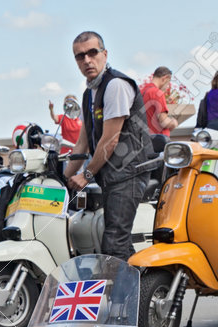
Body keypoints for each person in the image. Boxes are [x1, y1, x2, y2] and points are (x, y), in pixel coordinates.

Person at [65, 31, 153, 262]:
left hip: (129, 172)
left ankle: (121, 297)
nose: (87, 60)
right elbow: (83, 141)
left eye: (92, 53)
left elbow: (110, 139)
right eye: (80, 56)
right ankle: (141, 285)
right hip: (110, 174)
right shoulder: (88, 94)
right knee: (111, 238)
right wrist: (61, 177)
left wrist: (85, 174)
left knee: (114, 242)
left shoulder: (115, 85)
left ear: (105, 54)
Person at [142, 67, 180, 149]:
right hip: (159, 142)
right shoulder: (157, 93)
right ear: (164, 78)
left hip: (145, 141)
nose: (167, 87)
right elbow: (164, 122)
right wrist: (174, 122)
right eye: (168, 83)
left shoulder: (142, 92)